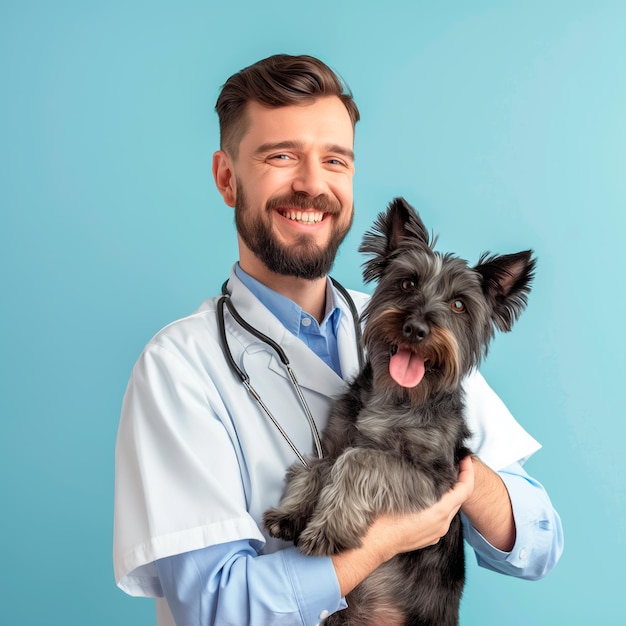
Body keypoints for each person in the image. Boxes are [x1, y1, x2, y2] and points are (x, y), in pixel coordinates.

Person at [113, 54, 563, 626]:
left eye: (334, 160)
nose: (311, 184)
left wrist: (452, 481)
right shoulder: (178, 367)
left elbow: (539, 541)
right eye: (280, 155)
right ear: (228, 178)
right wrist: (379, 541)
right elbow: (215, 610)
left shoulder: (420, 341)